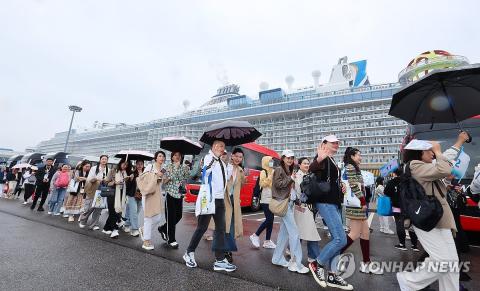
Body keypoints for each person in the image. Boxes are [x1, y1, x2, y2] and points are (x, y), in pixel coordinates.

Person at [396, 140, 459, 291]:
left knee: (452, 263)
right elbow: (443, 169)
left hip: (439, 218)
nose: (432, 153)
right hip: (428, 219)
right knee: (443, 261)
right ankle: (409, 280)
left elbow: (444, 170)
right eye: (429, 150)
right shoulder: (415, 165)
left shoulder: (424, 167)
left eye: (433, 151)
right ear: (419, 153)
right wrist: (438, 152)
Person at [183, 140, 237, 272]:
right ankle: (189, 253)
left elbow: (227, 177)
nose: (221, 148)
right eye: (218, 146)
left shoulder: (221, 162)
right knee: (202, 227)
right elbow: (205, 172)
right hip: (209, 199)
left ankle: (219, 260)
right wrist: (214, 159)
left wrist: (230, 163)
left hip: (219, 200)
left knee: (220, 230)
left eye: (223, 146)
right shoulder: (209, 158)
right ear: (212, 147)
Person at [308, 135, 352, 290]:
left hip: (333, 202)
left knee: (337, 239)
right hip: (325, 203)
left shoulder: (332, 160)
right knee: (341, 239)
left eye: (338, 142)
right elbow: (312, 169)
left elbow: (329, 180)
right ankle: (317, 263)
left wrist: (341, 187)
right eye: (333, 142)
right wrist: (319, 159)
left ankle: (333, 275)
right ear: (324, 144)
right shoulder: (323, 157)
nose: (336, 144)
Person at [340, 147, 383, 275]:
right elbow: (353, 185)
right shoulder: (350, 167)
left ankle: (366, 263)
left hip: (357, 204)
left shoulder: (352, 167)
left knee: (365, 234)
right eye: (359, 155)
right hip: (356, 205)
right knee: (354, 233)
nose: (360, 157)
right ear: (352, 156)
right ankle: (333, 255)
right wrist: (363, 201)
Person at [271, 149, 309, 274]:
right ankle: (296, 263)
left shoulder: (289, 170)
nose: (290, 160)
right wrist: (291, 178)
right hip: (284, 204)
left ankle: (277, 258)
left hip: (290, 203)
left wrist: (297, 201)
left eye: (292, 158)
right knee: (294, 233)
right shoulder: (279, 170)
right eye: (288, 157)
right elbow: (277, 184)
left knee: (284, 233)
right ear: (282, 158)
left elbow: (291, 189)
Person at [212, 148, 246, 263]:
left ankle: (228, 251)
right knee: (222, 227)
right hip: (224, 201)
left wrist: (244, 177)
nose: (238, 158)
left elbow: (241, 185)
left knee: (231, 228)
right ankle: (220, 251)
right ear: (232, 156)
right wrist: (228, 172)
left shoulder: (241, 170)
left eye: (240, 157)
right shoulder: (225, 166)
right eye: (236, 156)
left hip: (234, 203)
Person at [292, 157, 321, 263]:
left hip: (309, 207)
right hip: (302, 206)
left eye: (308, 163)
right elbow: (298, 191)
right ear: (299, 165)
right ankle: (313, 255)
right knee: (308, 231)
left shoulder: (309, 175)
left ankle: (293, 251)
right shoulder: (297, 176)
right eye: (304, 163)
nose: (307, 165)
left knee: (302, 231)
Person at [159, 151, 190, 248]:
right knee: (171, 218)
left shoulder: (183, 167)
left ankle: (163, 228)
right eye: (175, 155)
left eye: (179, 155)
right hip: (170, 194)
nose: (177, 157)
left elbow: (186, 177)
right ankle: (171, 239)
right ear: (172, 157)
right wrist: (171, 175)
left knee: (179, 216)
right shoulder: (167, 167)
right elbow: (162, 179)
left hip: (179, 194)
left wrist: (187, 169)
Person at [384, 168, 419, 251]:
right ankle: (414, 245)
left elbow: (386, 193)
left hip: (397, 207)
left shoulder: (391, 182)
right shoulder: (409, 181)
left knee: (400, 225)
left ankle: (402, 244)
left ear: (394, 173)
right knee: (411, 226)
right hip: (409, 207)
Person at [140, 151, 166, 250]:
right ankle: (146, 241)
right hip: (148, 194)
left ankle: (143, 230)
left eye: (163, 156)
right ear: (155, 158)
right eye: (159, 156)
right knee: (148, 217)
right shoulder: (150, 167)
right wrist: (156, 174)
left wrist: (165, 177)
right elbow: (144, 178)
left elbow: (161, 183)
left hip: (158, 195)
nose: (162, 158)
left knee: (158, 217)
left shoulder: (163, 169)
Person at [250, 156, 276, 249]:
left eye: (272, 161)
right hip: (265, 199)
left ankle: (267, 241)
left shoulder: (273, 171)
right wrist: (269, 177)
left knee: (271, 220)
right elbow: (262, 184)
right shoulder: (263, 172)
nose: (271, 162)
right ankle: (255, 235)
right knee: (269, 219)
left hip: (273, 198)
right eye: (270, 161)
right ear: (265, 162)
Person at [79, 155, 112, 230]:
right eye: (102, 159)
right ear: (100, 160)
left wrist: (106, 180)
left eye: (105, 159)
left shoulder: (108, 170)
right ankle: (83, 221)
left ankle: (94, 224)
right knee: (89, 207)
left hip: (102, 190)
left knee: (98, 208)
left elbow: (109, 180)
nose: (104, 160)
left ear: (107, 161)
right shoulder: (94, 168)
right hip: (92, 189)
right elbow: (89, 179)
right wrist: (96, 179)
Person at [103, 159, 131, 239]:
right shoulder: (113, 170)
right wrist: (114, 183)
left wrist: (129, 179)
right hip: (112, 193)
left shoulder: (126, 173)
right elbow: (106, 182)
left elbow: (127, 185)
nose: (124, 166)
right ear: (120, 163)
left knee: (116, 212)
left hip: (121, 194)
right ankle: (115, 230)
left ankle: (106, 228)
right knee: (113, 212)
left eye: (126, 165)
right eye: (123, 164)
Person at [124, 160, 144, 237]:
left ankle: (126, 224)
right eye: (138, 164)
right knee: (134, 212)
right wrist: (130, 179)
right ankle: (135, 229)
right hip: (132, 195)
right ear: (136, 165)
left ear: (143, 165)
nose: (139, 165)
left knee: (137, 211)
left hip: (141, 195)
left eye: (141, 164)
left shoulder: (145, 173)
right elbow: (128, 186)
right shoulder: (132, 173)